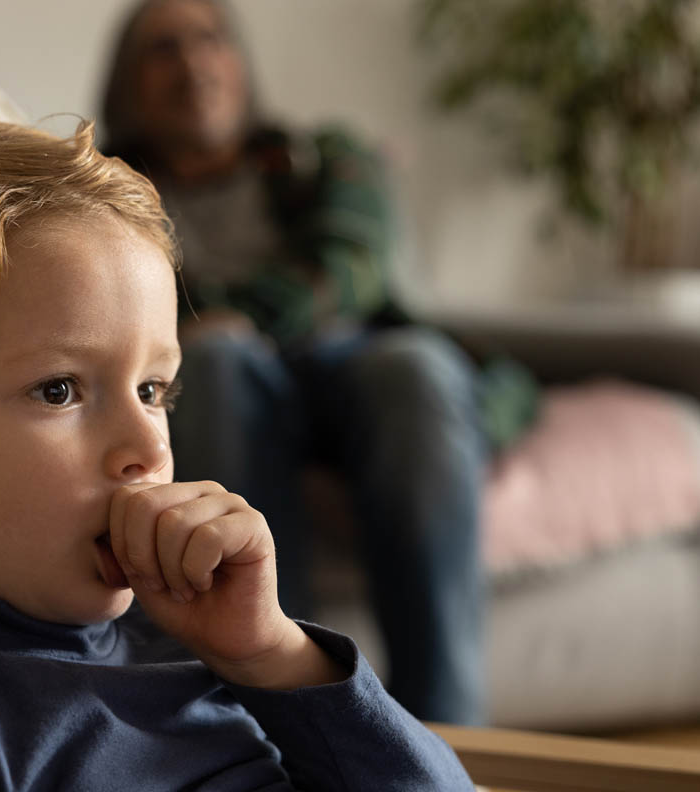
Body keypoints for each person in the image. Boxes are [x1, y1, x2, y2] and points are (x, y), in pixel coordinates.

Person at [0, 104, 494, 792]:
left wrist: (274, 652)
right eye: (60, 390)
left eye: (155, 391)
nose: (147, 447)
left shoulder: (194, 639)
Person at [99, 0, 487, 725]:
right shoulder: (106, 190)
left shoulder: (324, 154)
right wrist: (216, 330)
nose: (192, 64)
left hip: (349, 364)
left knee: (418, 367)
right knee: (212, 358)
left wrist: (241, 313)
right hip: (218, 380)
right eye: (163, 49)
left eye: (210, 40)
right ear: (124, 84)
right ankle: (289, 710)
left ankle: (452, 737)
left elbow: (352, 266)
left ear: (241, 65)